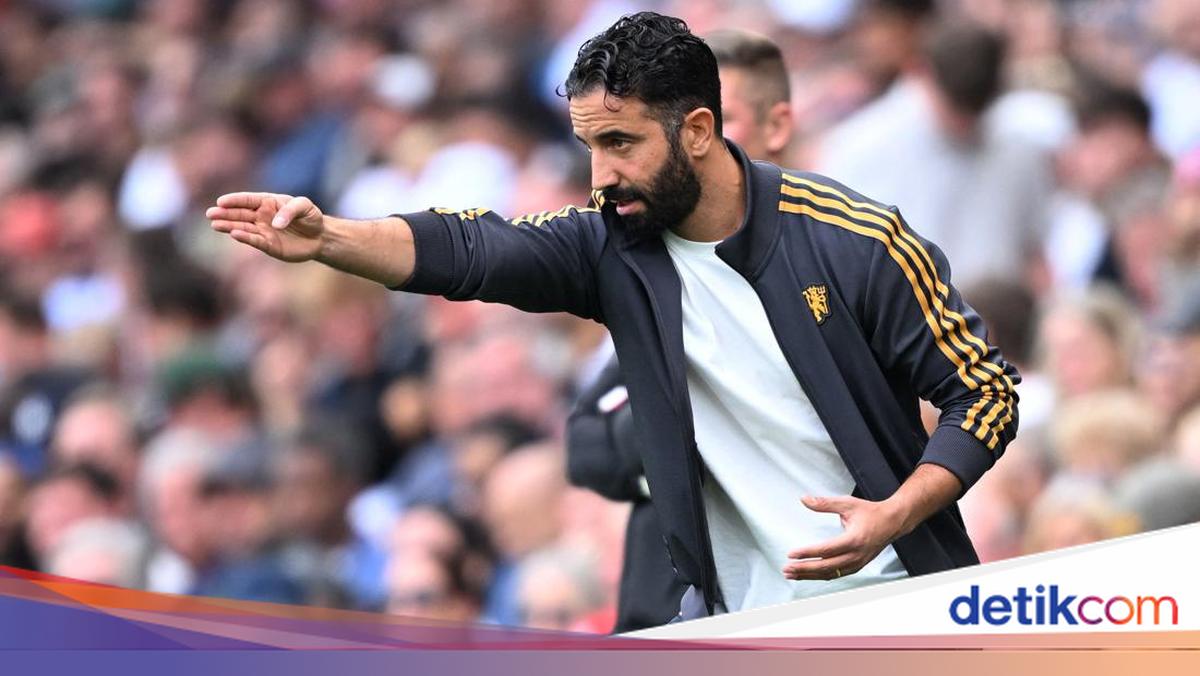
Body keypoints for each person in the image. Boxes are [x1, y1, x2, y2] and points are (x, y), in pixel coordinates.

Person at [207, 12, 1019, 619]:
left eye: (622, 144)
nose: (601, 175)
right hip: (734, 625)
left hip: (893, 609)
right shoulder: (609, 247)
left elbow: (985, 394)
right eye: (590, 147)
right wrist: (332, 238)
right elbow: (472, 249)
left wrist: (893, 514)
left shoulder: (854, 239)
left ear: (697, 130)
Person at [566, 28, 795, 632]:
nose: (705, 138)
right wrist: (678, 441)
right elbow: (584, 446)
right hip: (658, 614)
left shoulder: (837, 261)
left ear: (777, 126)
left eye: (726, 118)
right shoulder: (650, 268)